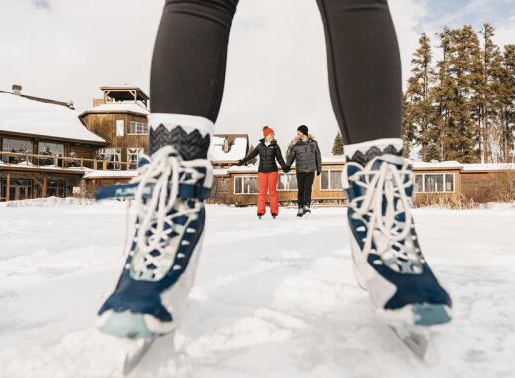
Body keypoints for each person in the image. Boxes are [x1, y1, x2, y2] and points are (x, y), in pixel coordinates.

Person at [96, 0, 452, 339]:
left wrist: (286, 163)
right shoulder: (271, 144)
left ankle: (377, 198)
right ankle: (175, 195)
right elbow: (258, 153)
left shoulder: (295, 143)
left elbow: (286, 154)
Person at [237, 126, 287, 219]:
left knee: (273, 192)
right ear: (266, 135)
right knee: (262, 192)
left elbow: (279, 158)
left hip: (273, 171)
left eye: (273, 134)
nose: (273, 136)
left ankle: (274, 212)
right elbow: (251, 155)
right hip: (262, 172)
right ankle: (260, 211)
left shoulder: (275, 146)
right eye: (271, 134)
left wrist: (284, 167)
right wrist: (242, 161)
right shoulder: (260, 146)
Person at [284, 125, 321, 217]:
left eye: (298, 133)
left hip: (310, 170)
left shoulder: (314, 143)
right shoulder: (296, 145)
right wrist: (287, 165)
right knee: (301, 189)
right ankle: (300, 207)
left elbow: (318, 156)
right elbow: (291, 156)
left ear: (304, 132)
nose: (297, 134)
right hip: (300, 170)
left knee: (307, 188)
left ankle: (306, 206)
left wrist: (319, 168)